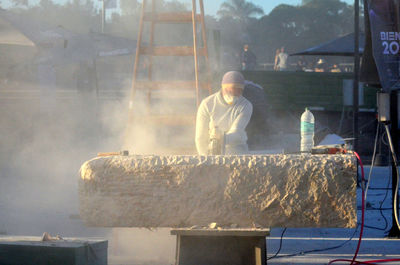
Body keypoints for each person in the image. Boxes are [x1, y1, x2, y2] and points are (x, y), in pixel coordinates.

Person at [195, 71, 253, 155]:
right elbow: (200, 137)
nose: (235, 94)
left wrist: (221, 137)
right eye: (232, 91)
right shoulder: (207, 104)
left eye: (238, 92)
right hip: (213, 151)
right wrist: (205, 159)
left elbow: (237, 132)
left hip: (238, 152)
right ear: (223, 88)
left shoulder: (245, 105)